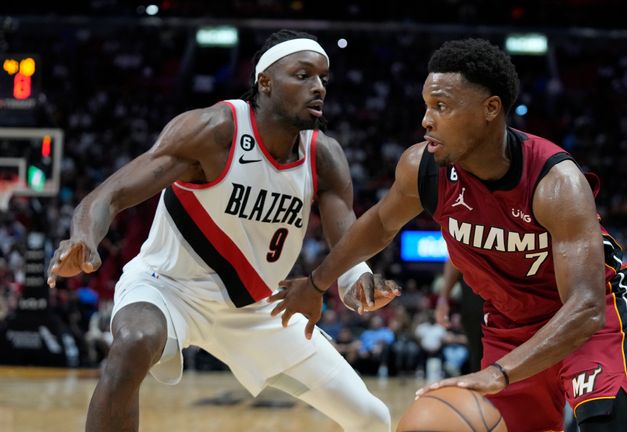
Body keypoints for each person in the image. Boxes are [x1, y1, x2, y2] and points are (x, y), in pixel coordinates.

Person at [271, 38, 627, 432]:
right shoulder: (423, 168)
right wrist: (317, 284)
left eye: (441, 106)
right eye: (426, 105)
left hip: (585, 323)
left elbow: (586, 306)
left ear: (490, 109)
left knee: (613, 426)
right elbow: (380, 225)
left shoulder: (556, 182)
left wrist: (500, 373)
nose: (426, 119)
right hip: (508, 327)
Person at [46, 29, 393, 432]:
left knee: (373, 417)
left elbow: (345, 236)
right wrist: (83, 236)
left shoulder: (324, 156)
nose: (318, 87)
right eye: (303, 76)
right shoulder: (215, 131)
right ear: (264, 82)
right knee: (134, 342)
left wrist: (358, 280)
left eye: (323, 79)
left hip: (261, 307)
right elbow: (112, 193)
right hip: (168, 288)